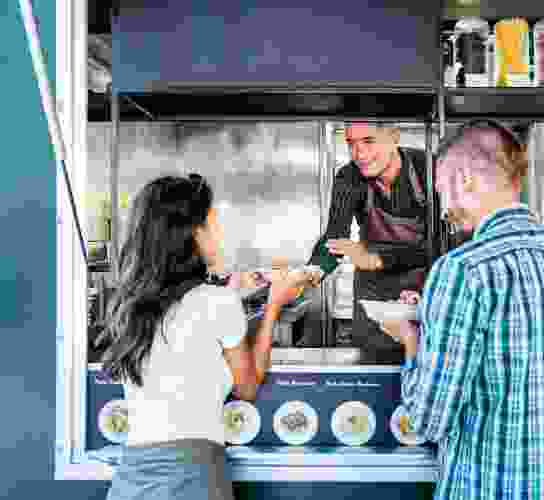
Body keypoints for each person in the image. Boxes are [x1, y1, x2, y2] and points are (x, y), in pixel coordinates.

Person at [380, 121, 544, 500]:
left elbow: (427, 420)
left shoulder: (464, 269)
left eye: (442, 191)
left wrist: (411, 340)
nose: (444, 208)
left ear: (466, 179)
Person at [95, 174, 314, 500]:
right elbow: (248, 386)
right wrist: (273, 308)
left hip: (130, 481)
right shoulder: (217, 302)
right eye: (213, 225)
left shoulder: (129, 307)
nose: (219, 234)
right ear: (190, 235)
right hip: (193, 478)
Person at [308, 122, 437, 364]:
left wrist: (377, 259)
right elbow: (336, 237)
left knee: (424, 365)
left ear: (394, 137)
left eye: (368, 141)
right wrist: (311, 272)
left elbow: (443, 248)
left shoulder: (429, 170)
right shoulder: (350, 176)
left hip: (423, 292)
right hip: (373, 297)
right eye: (351, 144)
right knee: (372, 372)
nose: (359, 154)